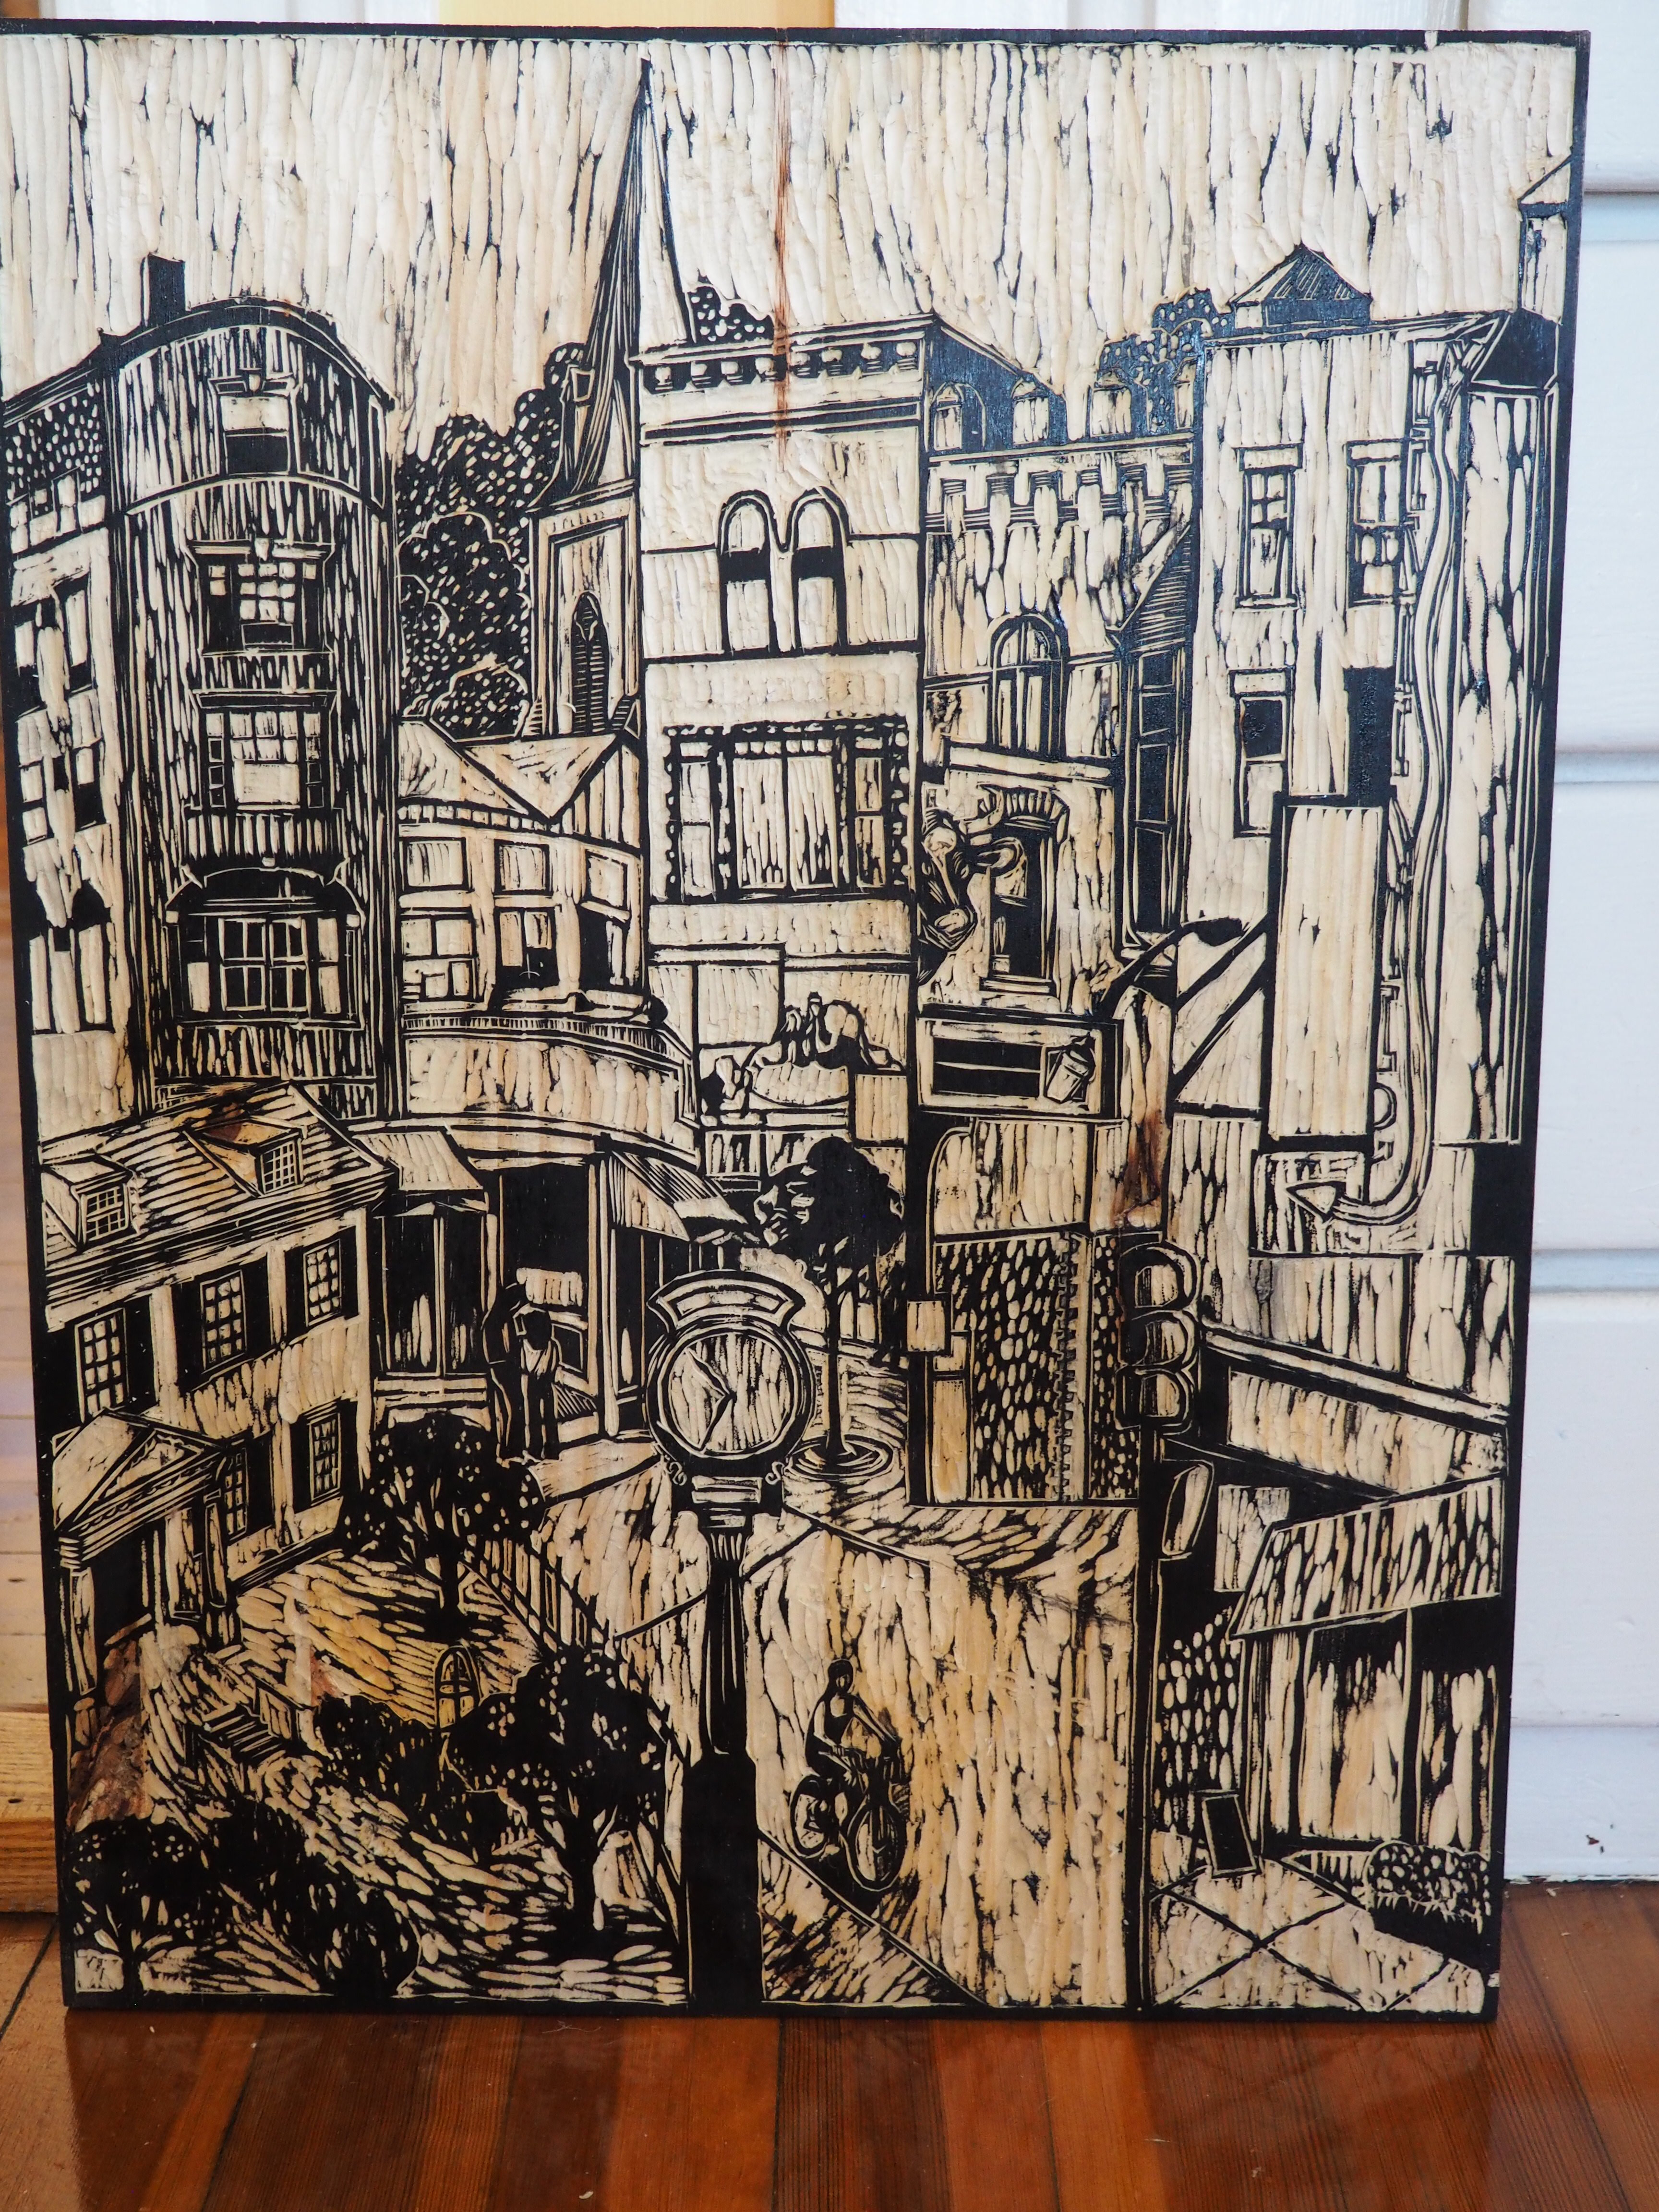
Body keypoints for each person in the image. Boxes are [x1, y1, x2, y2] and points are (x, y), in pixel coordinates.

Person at [805, 1659, 891, 1820]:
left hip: (837, 1752)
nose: (845, 1682)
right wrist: (834, 1746)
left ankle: (848, 1815)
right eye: (841, 1678)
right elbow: (819, 1734)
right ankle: (826, 1811)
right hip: (819, 1752)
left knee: (859, 1773)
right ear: (834, 1679)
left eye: (848, 1677)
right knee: (849, 1774)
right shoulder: (824, 1704)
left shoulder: (852, 1703)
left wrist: (888, 1741)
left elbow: (872, 1723)